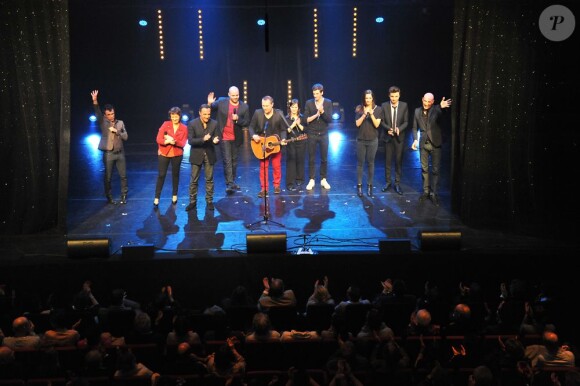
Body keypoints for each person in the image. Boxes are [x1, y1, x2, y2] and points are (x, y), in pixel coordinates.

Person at [411, 92, 452, 206]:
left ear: (433, 102)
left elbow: (440, 113)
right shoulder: (417, 111)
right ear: (422, 99)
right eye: (425, 101)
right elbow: (414, 127)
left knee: (435, 170)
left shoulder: (436, 109)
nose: (427, 103)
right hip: (423, 144)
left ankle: (434, 194)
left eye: (429, 102)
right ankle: (426, 191)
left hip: (435, 143)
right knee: (424, 169)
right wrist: (415, 139)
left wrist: (441, 107)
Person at [208, 86, 250, 194]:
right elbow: (210, 109)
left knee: (234, 161)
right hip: (224, 136)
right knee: (227, 160)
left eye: (237, 95)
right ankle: (229, 183)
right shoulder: (222, 102)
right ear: (229, 94)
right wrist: (209, 103)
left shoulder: (244, 107)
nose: (235, 97)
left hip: (236, 137)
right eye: (233, 95)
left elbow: (246, 122)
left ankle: (232, 181)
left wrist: (238, 119)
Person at [91, 90, 128, 204]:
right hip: (109, 154)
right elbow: (97, 112)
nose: (111, 116)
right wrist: (95, 101)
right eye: (109, 114)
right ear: (105, 115)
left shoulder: (120, 123)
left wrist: (117, 131)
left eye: (113, 114)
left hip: (120, 153)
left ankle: (123, 195)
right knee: (108, 177)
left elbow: (125, 137)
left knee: (123, 176)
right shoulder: (103, 122)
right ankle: (109, 196)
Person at [249, 96, 289, 197]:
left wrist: (283, 138)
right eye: (263, 106)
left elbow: (283, 129)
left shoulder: (279, 114)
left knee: (276, 166)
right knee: (263, 167)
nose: (265, 108)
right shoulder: (258, 113)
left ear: (272, 104)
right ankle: (264, 189)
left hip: (275, 144)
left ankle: (276, 186)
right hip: (262, 144)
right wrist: (253, 135)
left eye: (267, 106)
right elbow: (251, 127)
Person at [186, 104, 220, 212]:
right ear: (200, 113)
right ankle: (192, 201)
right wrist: (203, 139)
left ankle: (209, 201)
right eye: (204, 114)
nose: (207, 116)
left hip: (209, 154)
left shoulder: (214, 123)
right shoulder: (192, 123)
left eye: (209, 114)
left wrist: (215, 140)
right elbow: (190, 141)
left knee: (209, 179)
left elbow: (216, 136)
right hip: (197, 154)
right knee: (194, 180)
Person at [154, 107, 188, 207]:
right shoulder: (165, 124)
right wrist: (166, 141)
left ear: (179, 116)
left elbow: (182, 144)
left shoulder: (184, 128)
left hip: (177, 153)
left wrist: (174, 140)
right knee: (161, 175)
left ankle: (174, 195)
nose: (174, 118)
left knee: (175, 174)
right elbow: (158, 139)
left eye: (176, 116)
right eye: (172, 116)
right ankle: (157, 197)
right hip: (164, 153)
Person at [380, 86, 409, 195]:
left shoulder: (404, 105)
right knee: (387, 161)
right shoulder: (384, 105)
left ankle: (397, 183)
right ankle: (388, 182)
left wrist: (399, 129)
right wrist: (388, 129)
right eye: (392, 96)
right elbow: (381, 121)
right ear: (389, 96)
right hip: (388, 138)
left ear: (399, 96)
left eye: (396, 96)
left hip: (399, 137)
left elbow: (406, 122)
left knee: (398, 161)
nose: (394, 98)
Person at [304, 83, 333, 191]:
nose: (315, 96)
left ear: (322, 92)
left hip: (324, 134)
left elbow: (329, 119)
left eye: (317, 93)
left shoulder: (328, 102)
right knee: (311, 158)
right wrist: (316, 114)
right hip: (312, 133)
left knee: (324, 158)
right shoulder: (309, 103)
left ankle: (323, 179)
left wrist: (322, 112)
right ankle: (311, 179)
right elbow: (305, 120)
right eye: (314, 93)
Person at [354, 89, 382, 197]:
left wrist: (372, 115)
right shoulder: (359, 109)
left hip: (372, 141)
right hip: (361, 140)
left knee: (371, 163)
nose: (368, 100)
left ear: (373, 98)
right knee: (360, 163)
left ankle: (370, 185)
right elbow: (357, 124)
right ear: (364, 99)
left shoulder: (378, 109)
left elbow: (377, 125)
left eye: (370, 98)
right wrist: (364, 115)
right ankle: (359, 186)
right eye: (366, 98)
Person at [285, 98, 307, 191]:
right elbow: (286, 131)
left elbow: (305, 130)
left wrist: (299, 124)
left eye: (296, 107)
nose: (294, 109)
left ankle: (299, 179)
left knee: (300, 160)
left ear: (298, 108)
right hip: (291, 141)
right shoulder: (286, 119)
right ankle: (290, 182)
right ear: (290, 108)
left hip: (301, 140)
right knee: (291, 161)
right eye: (292, 107)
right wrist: (293, 125)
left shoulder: (302, 117)